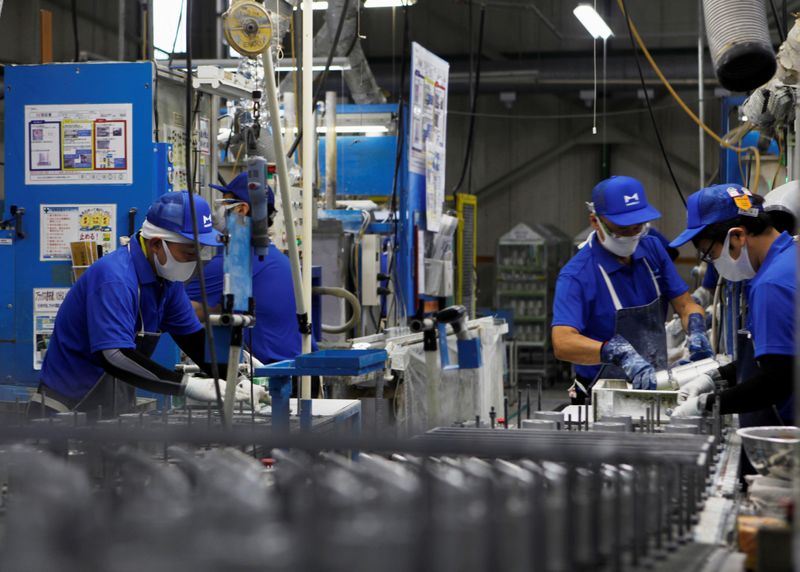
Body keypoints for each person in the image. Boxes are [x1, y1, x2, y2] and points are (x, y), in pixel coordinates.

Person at [31, 191, 264, 418]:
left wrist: (237, 378)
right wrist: (187, 385)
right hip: (63, 411)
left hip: (108, 411)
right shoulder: (115, 278)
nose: (195, 260)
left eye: (200, 250)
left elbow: (195, 342)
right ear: (156, 244)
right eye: (189, 251)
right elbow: (114, 356)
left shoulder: (167, 283)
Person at [552, 176, 711, 402]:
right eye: (622, 229)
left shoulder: (652, 250)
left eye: (637, 227)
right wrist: (616, 353)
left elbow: (686, 305)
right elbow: (562, 343)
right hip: (601, 393)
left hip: (657, 384)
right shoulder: (577, 275)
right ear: (595, 222)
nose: (631, 236)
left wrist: (696, 329)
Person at [668, 185, 794, 426]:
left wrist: (704, 404)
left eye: (710, 254)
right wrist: (715, 378)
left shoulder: (772, 285)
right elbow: (777, 360)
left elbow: (776, 382)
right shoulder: (789, 257)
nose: (713, 263)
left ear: (737, 236)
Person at [186, 172, 306, 365]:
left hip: (269, 378)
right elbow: (210, 307)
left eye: (225, 205)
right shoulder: (277, 259)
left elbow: (180, 311)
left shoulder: (236, 262)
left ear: (241, 209)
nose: (218, 212)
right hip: (299, 374)